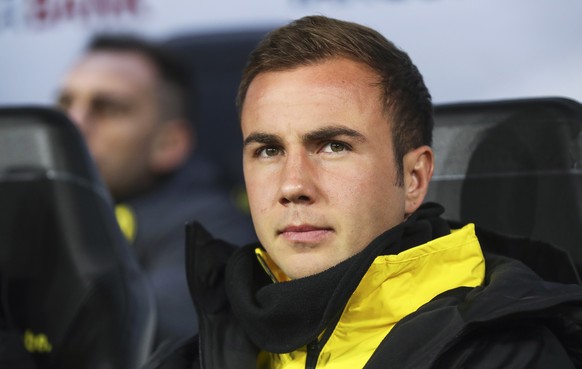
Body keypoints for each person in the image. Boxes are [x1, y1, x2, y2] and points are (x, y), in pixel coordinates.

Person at [143, 15, 582, 369]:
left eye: (334, 147)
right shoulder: (194, 353)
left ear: (413, 178)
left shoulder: (509, 353)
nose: (293, 186)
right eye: (269, 150)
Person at [56, 34, 257, 348]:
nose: (72, 124)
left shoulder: (213, 229)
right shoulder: (30, 209)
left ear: (169, 144)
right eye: (65, 103)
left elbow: (135, 333)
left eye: (107, 108)